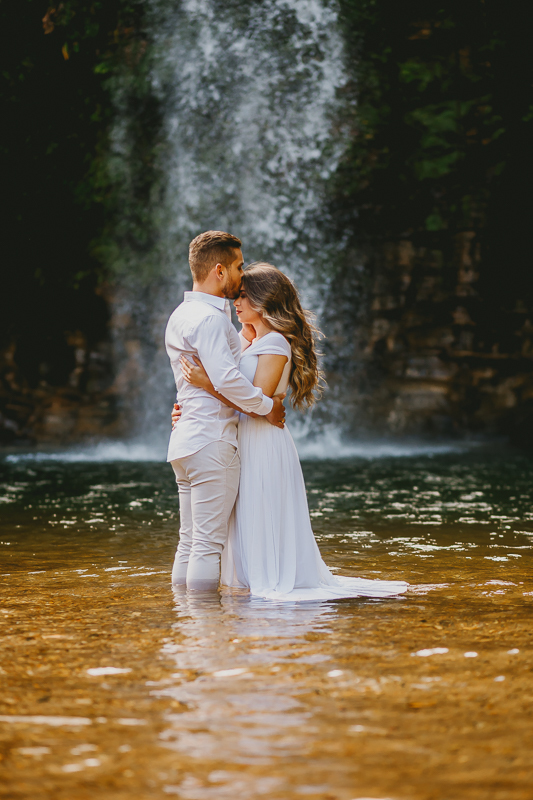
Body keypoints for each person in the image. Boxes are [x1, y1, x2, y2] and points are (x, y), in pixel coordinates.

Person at [173, 262, 408, 601]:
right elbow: (226, 383)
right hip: (237, 438)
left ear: (264, 301)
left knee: (260, 510)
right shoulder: (243, 339)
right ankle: (241, 581)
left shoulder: (277, 344)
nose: (234, 304)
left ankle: (260, 579)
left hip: (262, 441)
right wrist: (187, 407)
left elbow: (256, 400)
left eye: (242, 298)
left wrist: (205, 383)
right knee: (239, 516)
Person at [165, 232, 285, 593]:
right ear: (219, 270)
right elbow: (229, 379)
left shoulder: (182, 314)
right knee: (206, 545)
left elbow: (215, 372)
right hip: (212, 441)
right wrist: (267, 408)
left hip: (185, 441)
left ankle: (186, 623)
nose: (241, 273)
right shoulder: (210, 319)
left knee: (189, 541)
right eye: (237, 266)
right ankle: (206, 634)